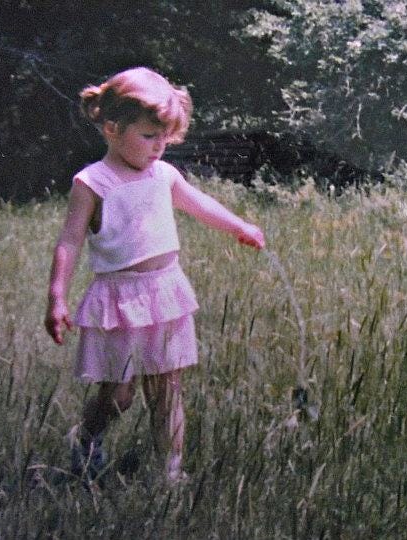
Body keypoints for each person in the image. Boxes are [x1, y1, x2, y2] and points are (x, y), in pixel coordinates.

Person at [44, 67, 265, 485]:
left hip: (164, 291)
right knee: (119, 394)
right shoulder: (92, 183)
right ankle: (87, 439)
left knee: (166, 389)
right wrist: (57, 297)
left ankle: (171, 473)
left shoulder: (164, 175)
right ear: (112, 128)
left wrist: (239, 226)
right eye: (149, 136)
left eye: (165, 137)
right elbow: (70, 241)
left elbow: (198, 204)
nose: (159, 146)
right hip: (119, 299)